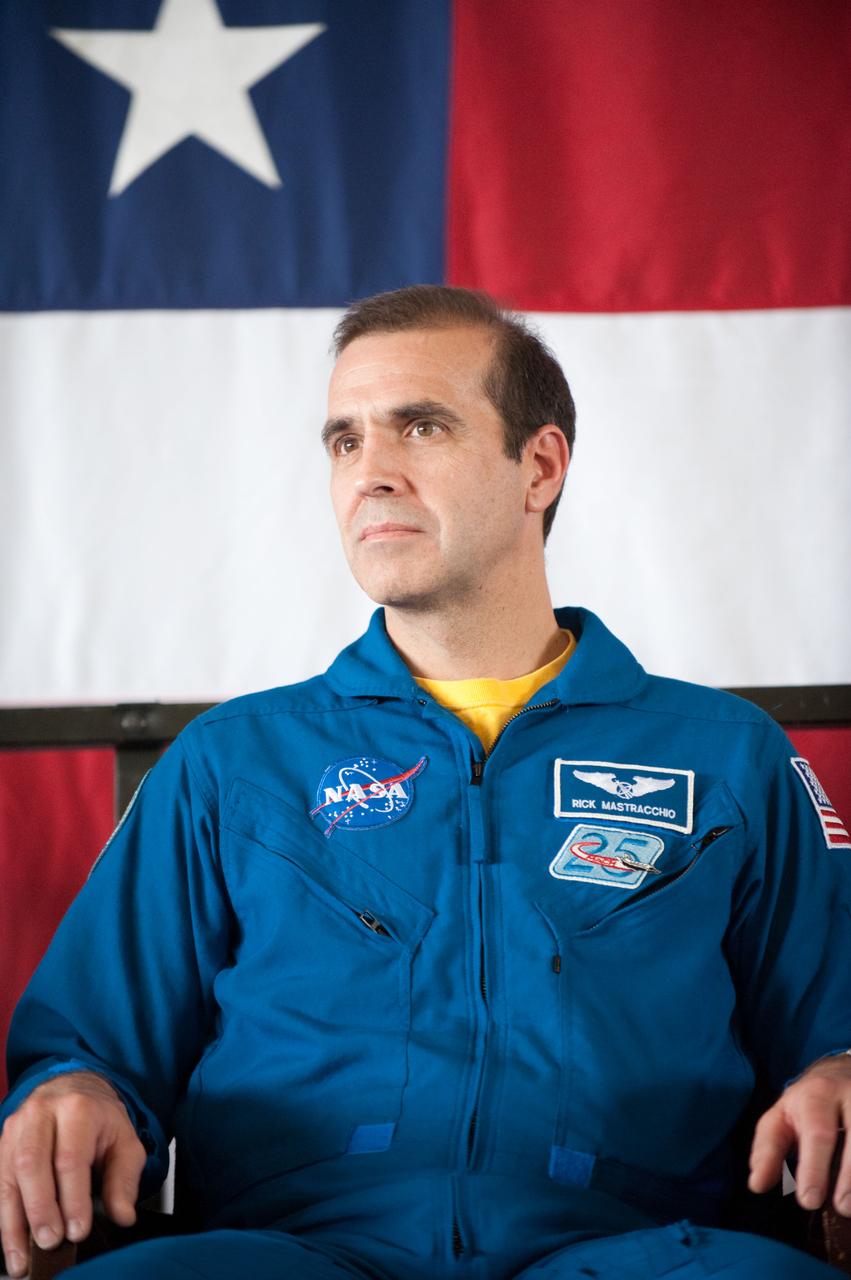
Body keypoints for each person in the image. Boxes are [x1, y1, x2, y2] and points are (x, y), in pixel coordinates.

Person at [1, 285, 849, 1280]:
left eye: (420, 426)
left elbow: (831, 1022)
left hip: (635, 1252)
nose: (370, 472)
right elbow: (88, 1037)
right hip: (291, 1254)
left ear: (538, 465)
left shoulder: (726, 755)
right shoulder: (233, 759)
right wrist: (70, 1086)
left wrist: (837, 1070)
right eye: (343, 441)